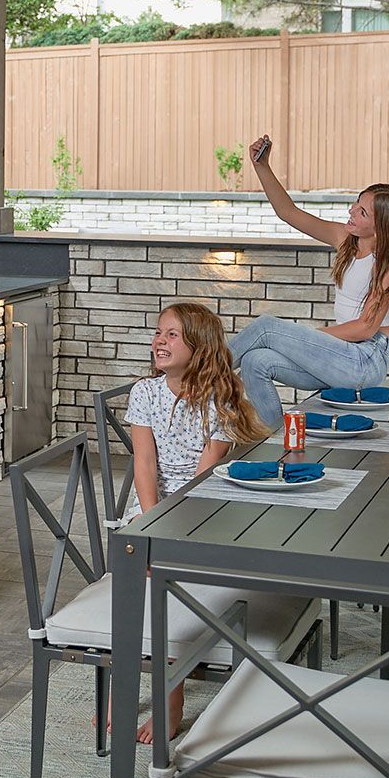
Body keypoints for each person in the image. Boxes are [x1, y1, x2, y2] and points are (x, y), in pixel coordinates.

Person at [124, 302, 268, 741]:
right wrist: (152, 523)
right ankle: (125, 684)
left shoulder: (220, 398)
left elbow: (205, 475)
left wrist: (171, 530)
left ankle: (171, 700)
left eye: (171, 335)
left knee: (165, 587)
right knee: (141, 574)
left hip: (201, 507)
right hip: (151, 507)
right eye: (158, 332)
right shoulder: (144, 393)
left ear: (200, 346)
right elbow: (144, 466)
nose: (159, 341)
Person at [229, 135, 389, 430]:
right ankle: (279, 438)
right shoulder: (346, 241)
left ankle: (195, 378)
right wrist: (262, 166)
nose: (351, 212)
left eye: (362, 212)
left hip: (364, 361)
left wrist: (310, 337)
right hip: (340, 358)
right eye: (356, 204)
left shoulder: (388, 265)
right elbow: (288, 213)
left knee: (267, 327)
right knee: (255, 361)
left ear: (383, 227)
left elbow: (366, 327)